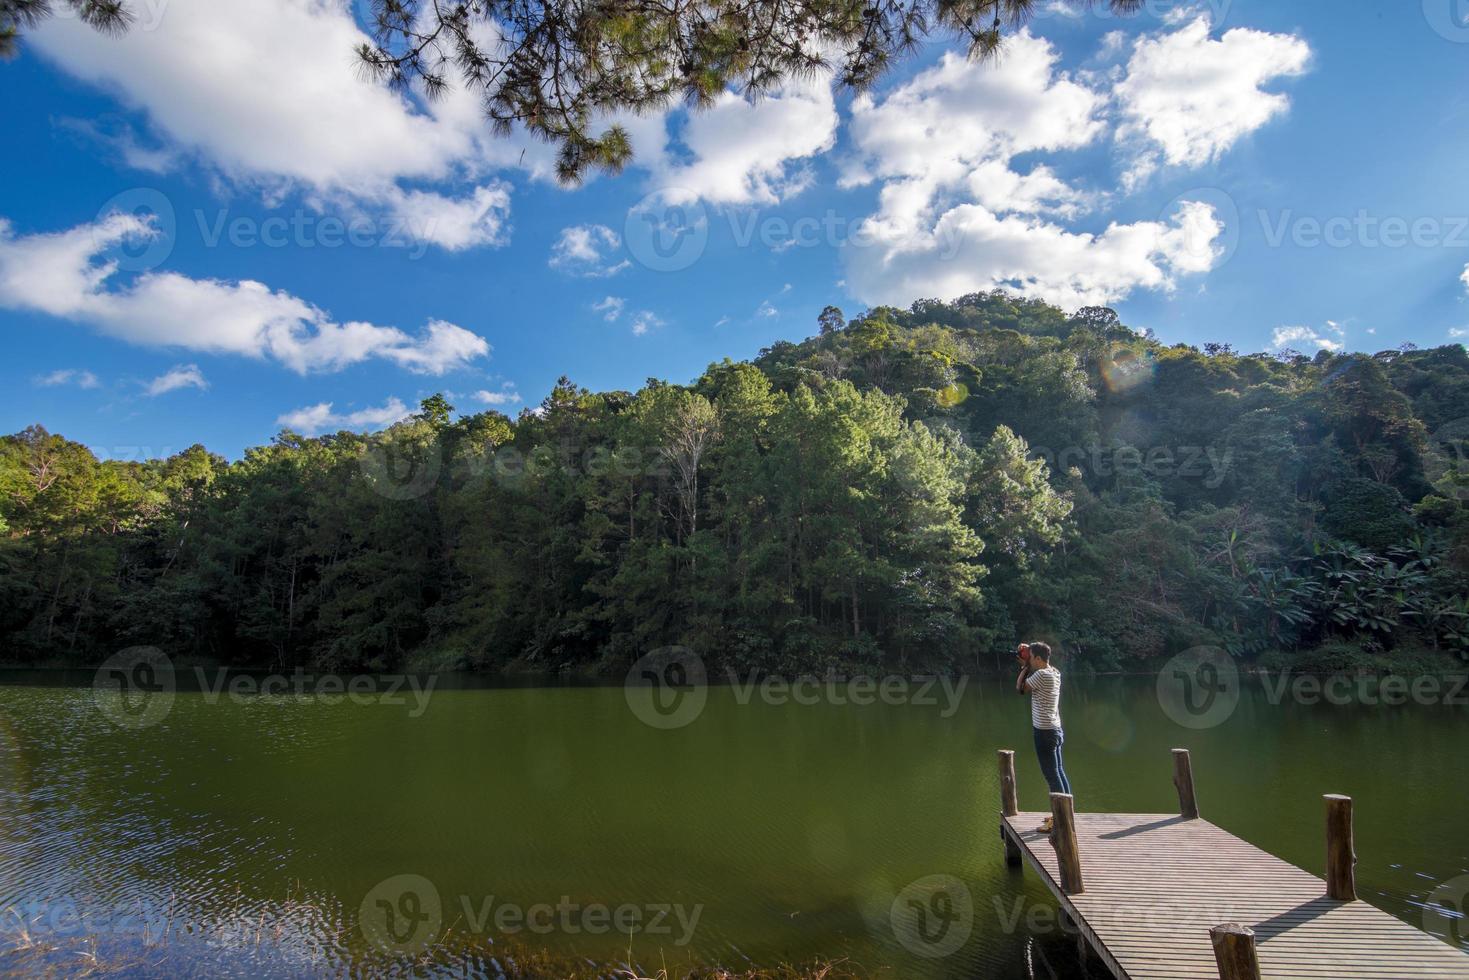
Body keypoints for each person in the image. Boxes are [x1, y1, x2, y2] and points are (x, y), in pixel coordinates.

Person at [1015, 641, 1071, 832]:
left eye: (1031, 657)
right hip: (1055, 729)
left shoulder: (1041, 675)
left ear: (1038, 659)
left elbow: (1020, 688)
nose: (1029, 659)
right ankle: (1065, 813)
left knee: (1052, 775)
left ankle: (1059, 820)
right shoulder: (1054, 672)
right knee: (1059, 772)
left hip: (1044, 732)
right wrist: (1028, 651)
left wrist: (1024, 667)